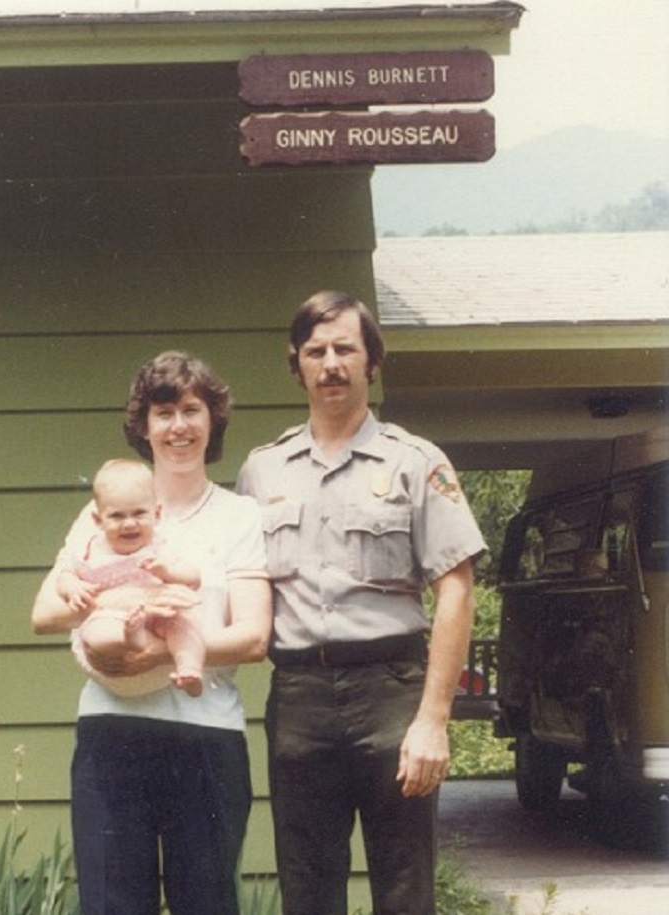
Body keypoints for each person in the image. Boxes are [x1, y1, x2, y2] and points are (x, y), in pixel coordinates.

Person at [236, 291, 487, 915]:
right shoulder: (262, 472)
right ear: (296, 365)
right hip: (299, 697)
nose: (331, 365)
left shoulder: (415, 462)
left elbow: (455, 589)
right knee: (307, 885)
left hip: (392, 694)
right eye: (315, 352)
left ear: (372, 362)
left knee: (405, 888)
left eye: (346, 349)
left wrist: (433, 720)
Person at [32, 350, 272, 915]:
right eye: (164, 413)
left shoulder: (238, 517)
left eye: (192, 410)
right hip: (112, 734)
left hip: (205, 736)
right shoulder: (107, 514)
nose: (179, 426)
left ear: (213, 421)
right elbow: (44, 613)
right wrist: (106, 608)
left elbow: (255, 637)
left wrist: (159, 653)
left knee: (206, 904)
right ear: (144, 426)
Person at [56, 457, 207, 697]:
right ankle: (132, 638)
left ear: (156, 513)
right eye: (117, 516)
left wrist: (167, 571)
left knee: (186, 626)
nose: (129, 524)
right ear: (98, 520)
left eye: (139, 513)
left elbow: (193, 578)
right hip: (113, 618)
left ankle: (189, 669)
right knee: (97, 634)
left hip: (161, 618)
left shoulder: (160, 547)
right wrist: (71, 587)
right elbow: (64, 575)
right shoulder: (89, 550)